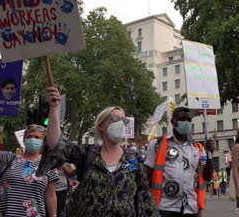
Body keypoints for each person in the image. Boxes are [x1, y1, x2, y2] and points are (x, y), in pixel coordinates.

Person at [37, 86, 159, 217]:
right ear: (101, 126)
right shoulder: (87, 154)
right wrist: (55, 108)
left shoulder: (134, 160)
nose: (121, 124)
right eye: (116, 119)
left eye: (124, 121)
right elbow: (56, 145)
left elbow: (145, 201)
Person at [145, 107, 215, 217]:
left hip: (191, 207)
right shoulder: (157, 144)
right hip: (165, 207)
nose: (186, 122)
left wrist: (210, 155)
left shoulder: (198, 148)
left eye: (188, 119)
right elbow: (147, 176)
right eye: (182, 119)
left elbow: (207, 177)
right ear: (173, 122)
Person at [0, 124, 58, 217]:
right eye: (29, 137)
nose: (32, 139)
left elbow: (50, 195)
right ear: (23, 140)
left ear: (43, 142)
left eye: (37, 137)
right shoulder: (9, 158)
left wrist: (53, 215)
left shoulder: (48, 164)